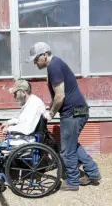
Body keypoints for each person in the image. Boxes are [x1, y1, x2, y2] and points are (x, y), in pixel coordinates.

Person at [25, 42, 101, 191]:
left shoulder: (54, 66)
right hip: (77, 111)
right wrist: (48, 109)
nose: (34, 62)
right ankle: (93, 172)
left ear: (44, 55)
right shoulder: (54, 65)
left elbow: (60, 96)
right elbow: (56, 96)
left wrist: (51, 113)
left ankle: (72, 182)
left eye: (35, 59)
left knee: (67, 151)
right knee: (72, 145)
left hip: (73, 113)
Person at [0, 79, 46, 146]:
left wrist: (9, 129)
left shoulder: (34, 104)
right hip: (27, 137)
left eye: (16, 94)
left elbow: (27, 128)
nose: (15, 97)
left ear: (24, 92)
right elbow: (22, 119)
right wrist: (9, 122)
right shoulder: (29, 102)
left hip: (29, 139)